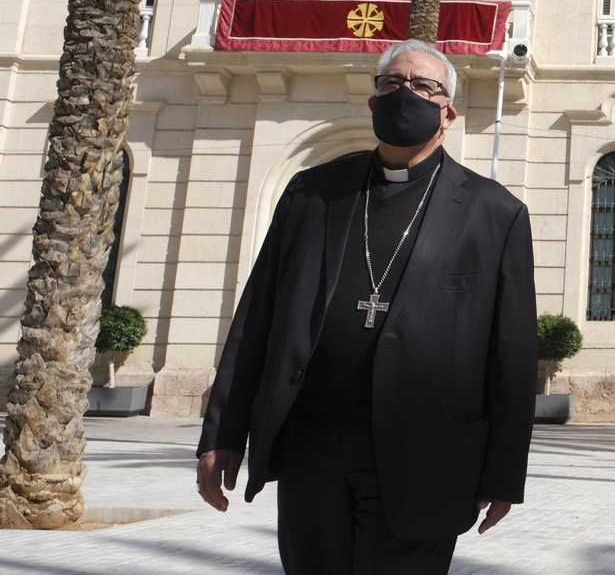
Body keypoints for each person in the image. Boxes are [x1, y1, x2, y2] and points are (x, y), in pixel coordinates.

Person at [195, 40, 538, 574]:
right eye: (391, 84)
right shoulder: (313, 193)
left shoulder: (495, 214)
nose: (405, 94)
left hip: (425, 453)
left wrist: (502, 474)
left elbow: (512, 356)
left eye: (423, 87)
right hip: (313, 446)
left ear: (447, 112)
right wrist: (222, 433)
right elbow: (257, 316)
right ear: (373, 103)